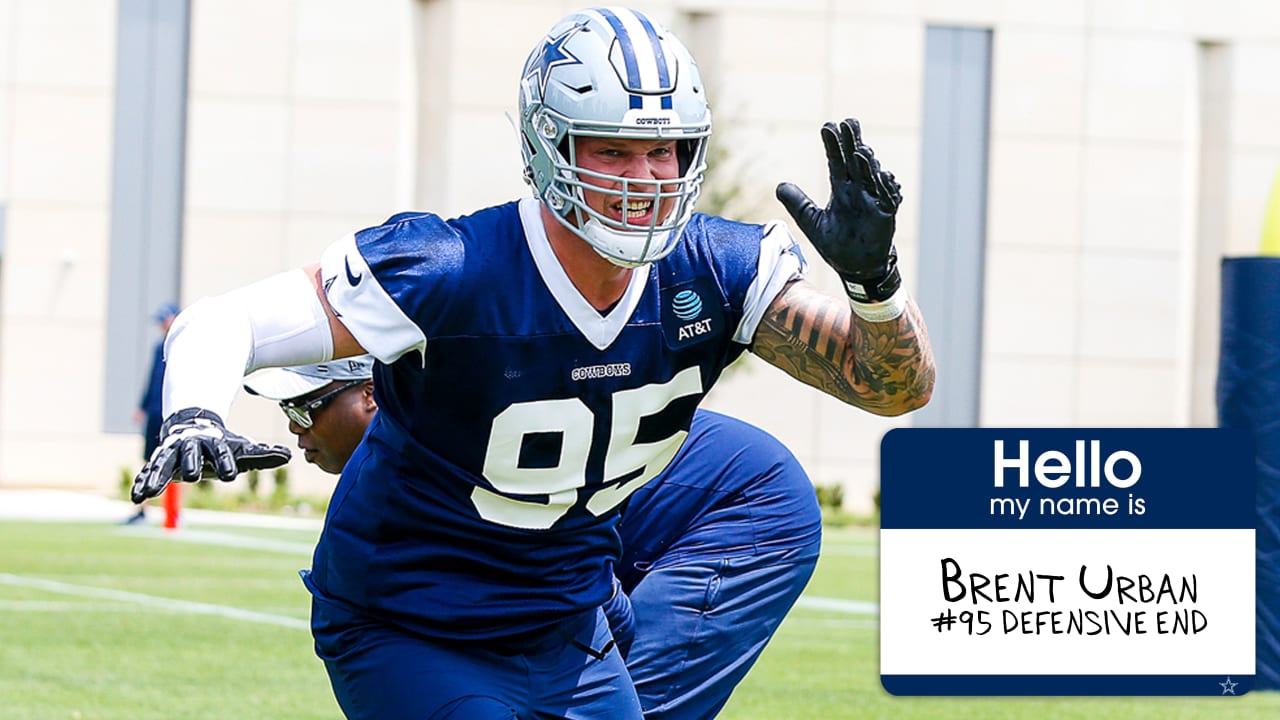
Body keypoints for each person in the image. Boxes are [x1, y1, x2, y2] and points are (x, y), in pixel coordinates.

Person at [132, 7, 933, 718]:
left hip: (562, 625)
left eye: (666, 151)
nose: (645, 178)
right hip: (414, 619)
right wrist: (195, 408)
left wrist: (875, 286)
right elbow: (224, 319)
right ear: (551, 146)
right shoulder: (451, 267)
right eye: (613, 150)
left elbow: (894, 387)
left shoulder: (716, 269)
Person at [245, 360, 821, 719]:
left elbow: (579, 575)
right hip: (636, 525)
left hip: (741, 510)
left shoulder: (453, 436)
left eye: (305, 407)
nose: (295, 427)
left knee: (641, 704)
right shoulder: (404, 461)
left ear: (371, 393)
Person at [122, 301, 179, 525]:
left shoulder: (183, 345)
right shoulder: (159, 347)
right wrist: (143, 407)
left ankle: (172, 514)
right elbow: (152, 380)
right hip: (155, 412)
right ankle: (141, 510)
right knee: (149, 460)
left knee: (176, 461)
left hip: (170, 412)